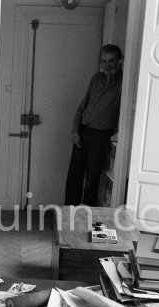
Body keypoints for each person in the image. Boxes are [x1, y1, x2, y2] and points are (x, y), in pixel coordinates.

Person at [64, 44, 123, 206]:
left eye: (111, 61)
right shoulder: (96, 79)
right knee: (73, 178)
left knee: (92, 181)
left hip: (101, 137)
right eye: (104, 61)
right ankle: (68, 218)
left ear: (119, 62)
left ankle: (85, 220)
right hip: (83, 133)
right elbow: (81, 107)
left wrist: (113, 75)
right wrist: (75, 131)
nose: (107, 65)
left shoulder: (123, 84)